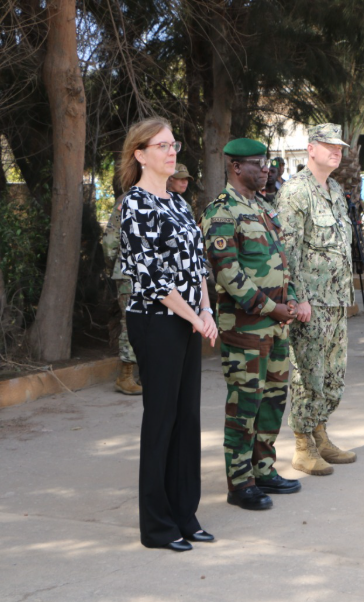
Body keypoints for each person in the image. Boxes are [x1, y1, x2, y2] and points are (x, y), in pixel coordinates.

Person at [118, 117, 218, 551]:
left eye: (173, 144)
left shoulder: (178, 202)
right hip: (155, 320)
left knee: (188, 418)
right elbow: (151, 279)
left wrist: (206, 308)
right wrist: (194, 318)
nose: (171, 151)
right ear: (140, 155)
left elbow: (196, 265)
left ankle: (185, 514)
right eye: (161, 145)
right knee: (161, 420)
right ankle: (157, 526)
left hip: (189, 318)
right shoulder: (134, 205)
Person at [202, 138, 301, 511]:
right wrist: (270, 307)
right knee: (245, 404)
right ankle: (240, 483)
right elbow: (229, 274)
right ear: (235, 167)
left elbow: (279, 261)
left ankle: (263, 468)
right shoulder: (222, 212)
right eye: (258, 164)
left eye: (267, 163)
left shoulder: (263, 208)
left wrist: (287, 301)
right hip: (246, 326)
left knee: (274, 399)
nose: (266, 169)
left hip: (276, 325)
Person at [275, 123, 357, 477]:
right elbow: (287, 252)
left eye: (339, 147)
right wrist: (298, 299)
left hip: (336, 299)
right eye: (328, 146)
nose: (335, 151)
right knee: (310, 375)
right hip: (312, 304)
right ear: (311, 149)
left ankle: (320, 433)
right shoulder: (296, 192)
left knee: (334, 374)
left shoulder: (336, 189)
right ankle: (302, 446)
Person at [101, 194, 142, 395]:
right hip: (130, 273)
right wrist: (114, 266)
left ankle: (144, 374)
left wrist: (112, 265)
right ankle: (125, 376)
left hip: (141, 272)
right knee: (132, 322)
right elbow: (110, 240)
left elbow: (109, 241)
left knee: (139, 322)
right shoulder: (128, 200)